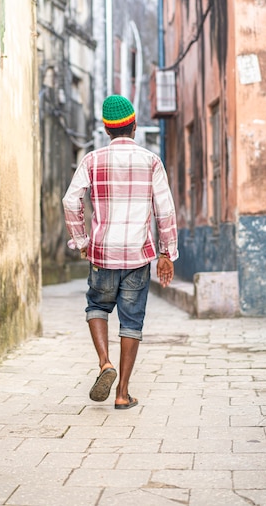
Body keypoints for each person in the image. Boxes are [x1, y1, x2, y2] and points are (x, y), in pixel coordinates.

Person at [62, 95, 178, 410]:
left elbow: (71, 201)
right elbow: (164, 210)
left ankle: (104, 363)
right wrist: (167, 253)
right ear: (135, 126)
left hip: (102, 253)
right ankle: (123, 393)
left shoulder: (91, 160)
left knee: (96, 305)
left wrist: (82, 240)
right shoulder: (151, 161)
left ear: (106, 129)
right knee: (132, 321)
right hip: (138, 255)